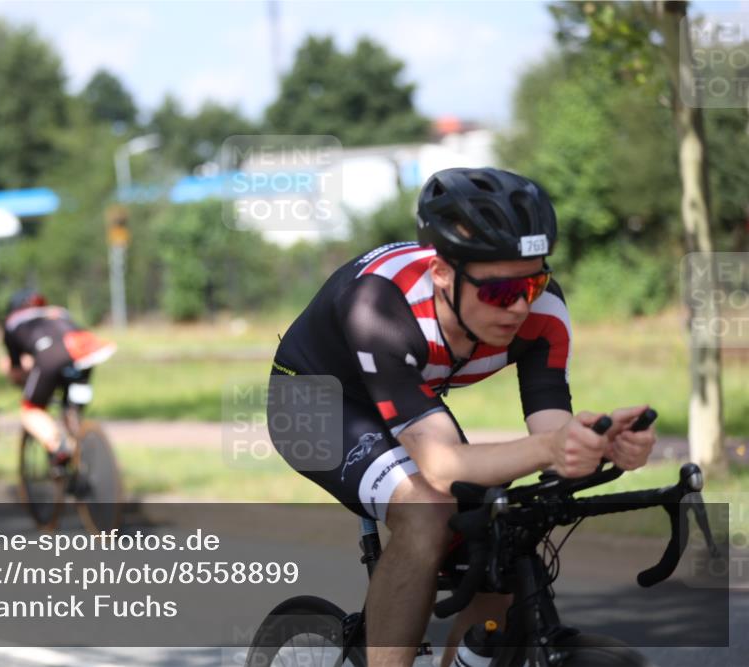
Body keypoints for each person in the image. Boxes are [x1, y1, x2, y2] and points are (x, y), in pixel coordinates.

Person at [266, 167, 657, 667]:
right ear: (443, 274)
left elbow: (551, 434)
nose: (518, 306)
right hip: (314, 400)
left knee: (498, 532)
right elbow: (443, 465)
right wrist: (551, 448)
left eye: (533, 284)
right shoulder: (380, 306)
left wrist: (603, 446)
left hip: (402, 394)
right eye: (497, 292)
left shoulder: (544, 314)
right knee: (427, 515)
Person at [1, 290, 116, 467]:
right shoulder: (58, 312)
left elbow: (16, 370)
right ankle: (77, 441)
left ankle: (58, 448)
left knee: (30, 409)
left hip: (51, 356)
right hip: (86, 353)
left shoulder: (12, 322)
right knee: (72, 410)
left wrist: (23, 382)